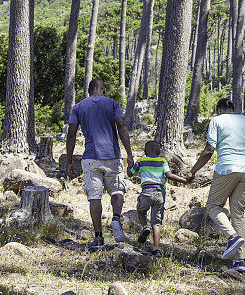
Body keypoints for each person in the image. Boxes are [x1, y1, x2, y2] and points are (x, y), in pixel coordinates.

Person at [189, 98, 245, 273]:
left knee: (213, 206)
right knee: (238, 213)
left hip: (227, 168)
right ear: (233, 109)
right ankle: (240, 260)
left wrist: (193, 171)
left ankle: (233, 236)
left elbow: (209, 150)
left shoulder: (217, 120)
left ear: (219, 109)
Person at [66, 78, 134, 250]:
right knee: (117, 191)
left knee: (94, 198)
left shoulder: (79, 107)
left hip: (90, 158)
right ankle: (116, 219)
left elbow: (71, 134)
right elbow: (122, 127)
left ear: (89, 90)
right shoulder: (112, 104)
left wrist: (68, 161)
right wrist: (130, 154)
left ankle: (98, 237)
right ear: (102, 89)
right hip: (112, 155)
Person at [130, 140, 192, 257]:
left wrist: (130, 164)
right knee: (156, 223)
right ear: (159, 151)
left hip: (146, 192)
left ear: (145, 151)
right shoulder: (162, 161)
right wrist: (184, 180)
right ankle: (156, 249)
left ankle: (145, 227)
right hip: (159, 194)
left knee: (141, 211)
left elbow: (130, 173)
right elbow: (169, 175)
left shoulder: (141, 161)